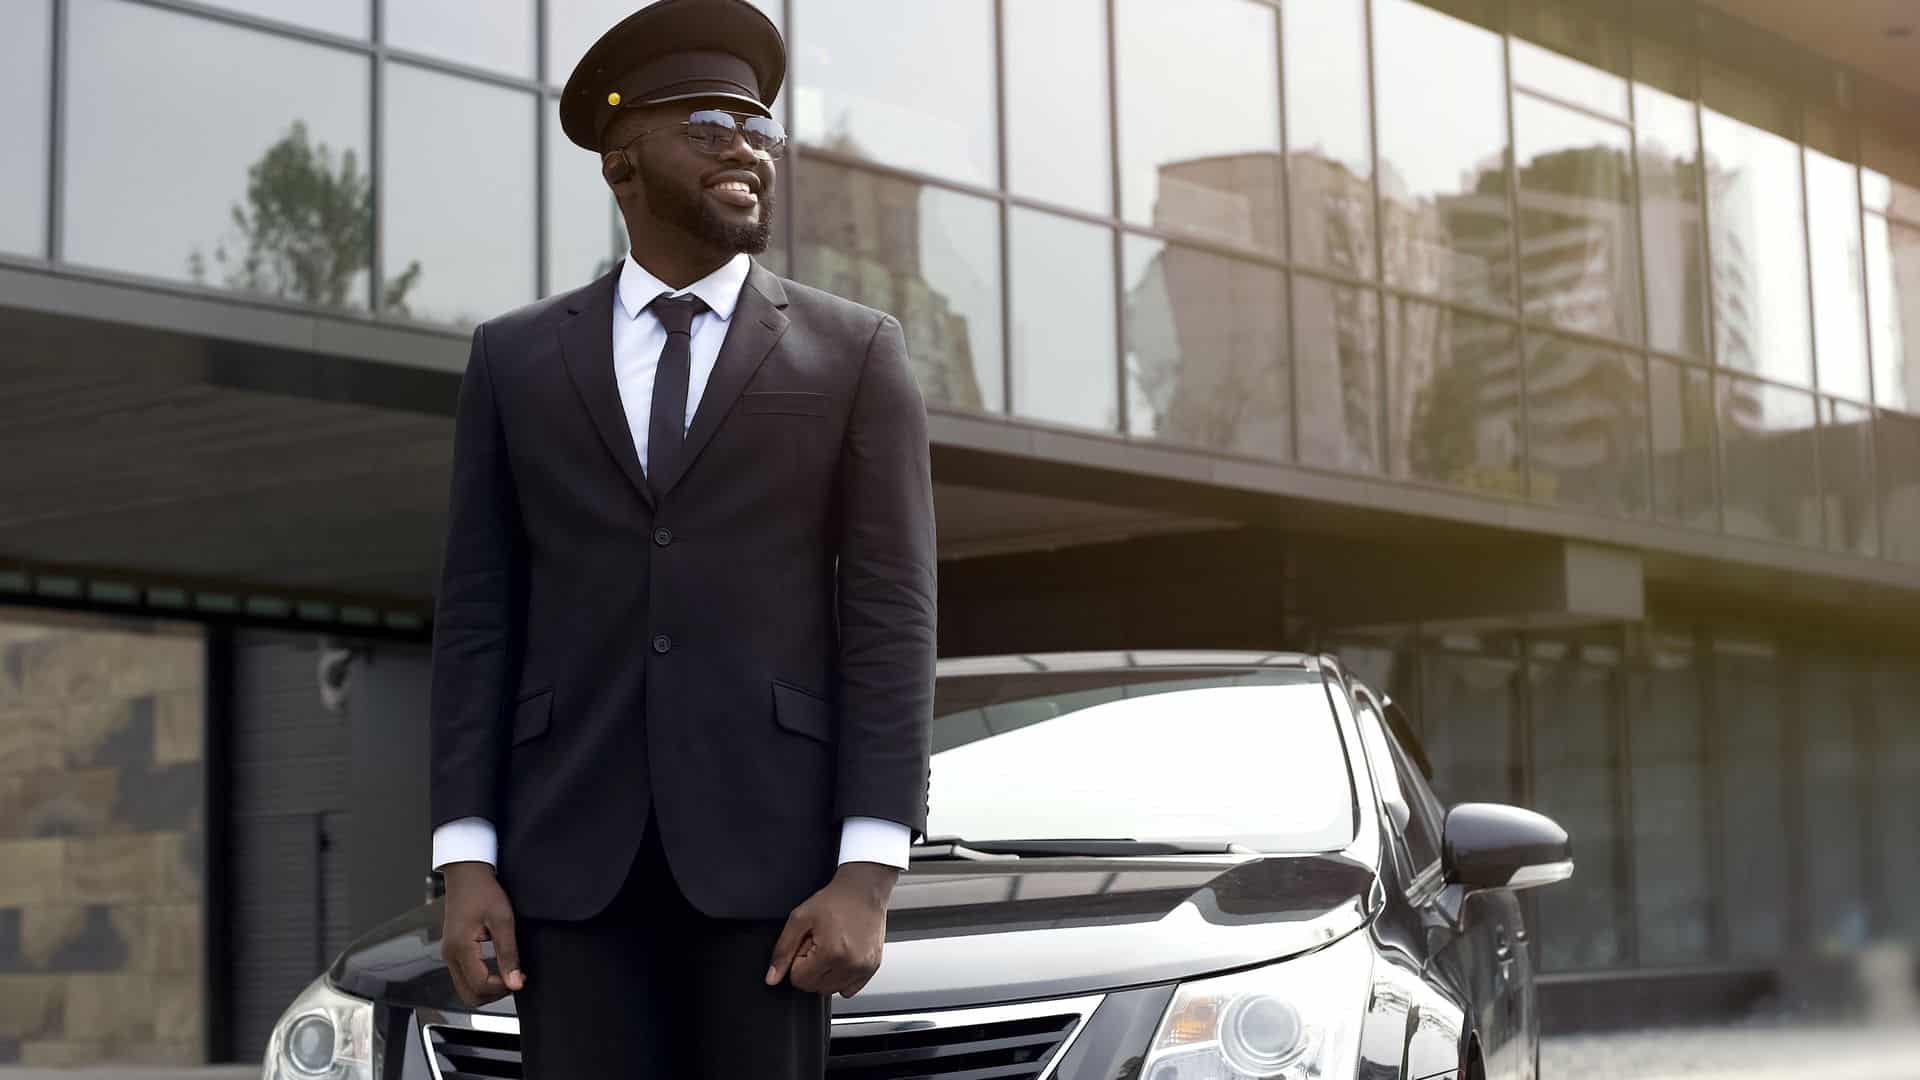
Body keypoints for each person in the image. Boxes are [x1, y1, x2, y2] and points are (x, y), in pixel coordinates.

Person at [426, 1, 936, 1074]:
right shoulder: (515, 359)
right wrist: (463, 858)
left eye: (759, 127)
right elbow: (478, 618)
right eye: (709, 124)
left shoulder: (855, 354)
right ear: (624, 160)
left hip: (776, 876)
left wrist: (870, 871)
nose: (746, 146)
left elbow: (892, 620)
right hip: (565, 871)